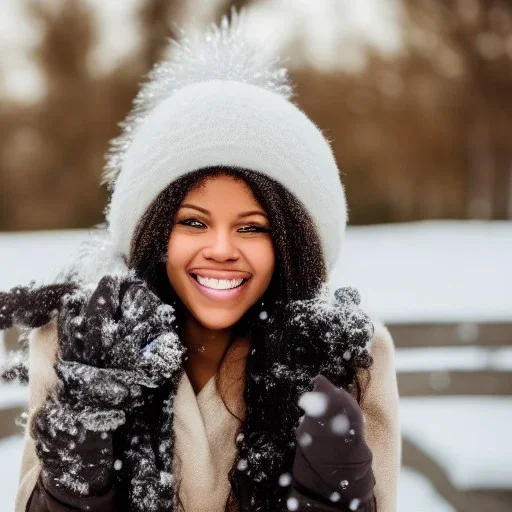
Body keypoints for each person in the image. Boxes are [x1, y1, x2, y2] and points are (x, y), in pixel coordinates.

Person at [1, 10, 400, 512]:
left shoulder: (346, 359)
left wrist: (332, 498)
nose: (221, 248)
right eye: (193, 222)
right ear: (155, 233)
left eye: (252, 227)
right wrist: (75, 477)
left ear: (290, 243)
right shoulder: (78, 345)